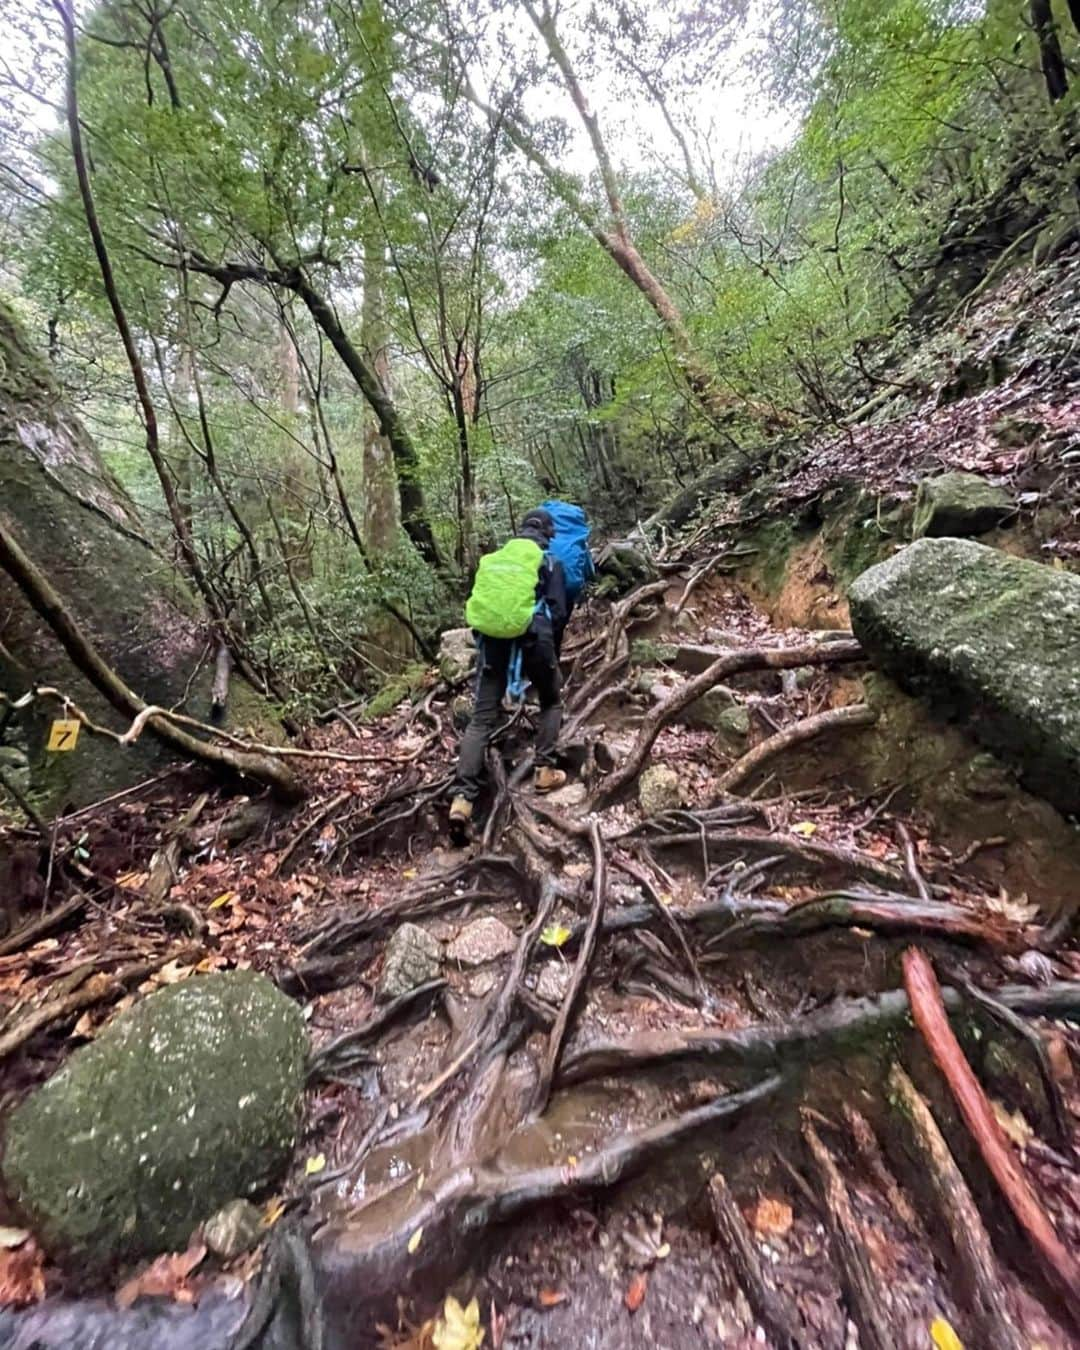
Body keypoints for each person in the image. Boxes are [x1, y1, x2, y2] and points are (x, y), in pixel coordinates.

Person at [449, 508, 568, 834]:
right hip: (533, 639)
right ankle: (544, 770)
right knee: (551, 700)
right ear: (546, 534)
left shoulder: (496, 560)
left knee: (480, 718)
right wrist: (548, 655)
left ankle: (462, 798)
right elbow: (557, 612)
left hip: (491, 643)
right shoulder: (548, 562)